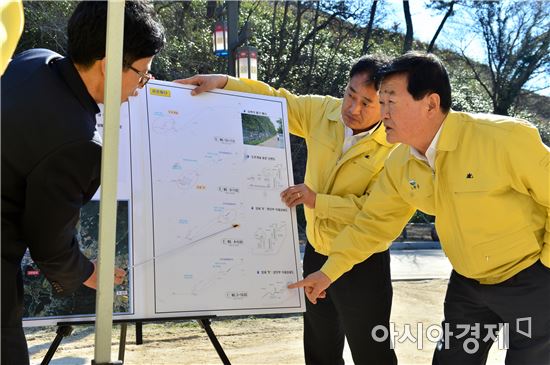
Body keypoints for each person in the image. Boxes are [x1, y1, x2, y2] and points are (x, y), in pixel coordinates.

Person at [290, 51, 550, 365]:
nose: (382, 114)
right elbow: (372, 224)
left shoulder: (503, 139)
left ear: (429, 103)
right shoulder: (401, 163)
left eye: (391, 102)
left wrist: (546, 267)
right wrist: (328, 273)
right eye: (381, 103)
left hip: (532, 282)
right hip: (468, 287)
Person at [178, 54, 399, 365]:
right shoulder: (323, 112)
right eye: (350, 94)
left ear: (386, 105)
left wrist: (316, 200)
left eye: (367, 103)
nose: (353, 109)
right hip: (317, 251)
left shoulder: (395, 146)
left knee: (371, 352)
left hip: (363, 261)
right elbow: (274, 100)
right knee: (320, 347)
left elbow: (372, 212)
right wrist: (224, 83)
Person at [1, 2, 165, 364]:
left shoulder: (34, 60)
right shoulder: (78, 141)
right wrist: (90, 273)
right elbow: (49, 242)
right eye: (142, 74)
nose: (141, 87)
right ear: (109, 64)